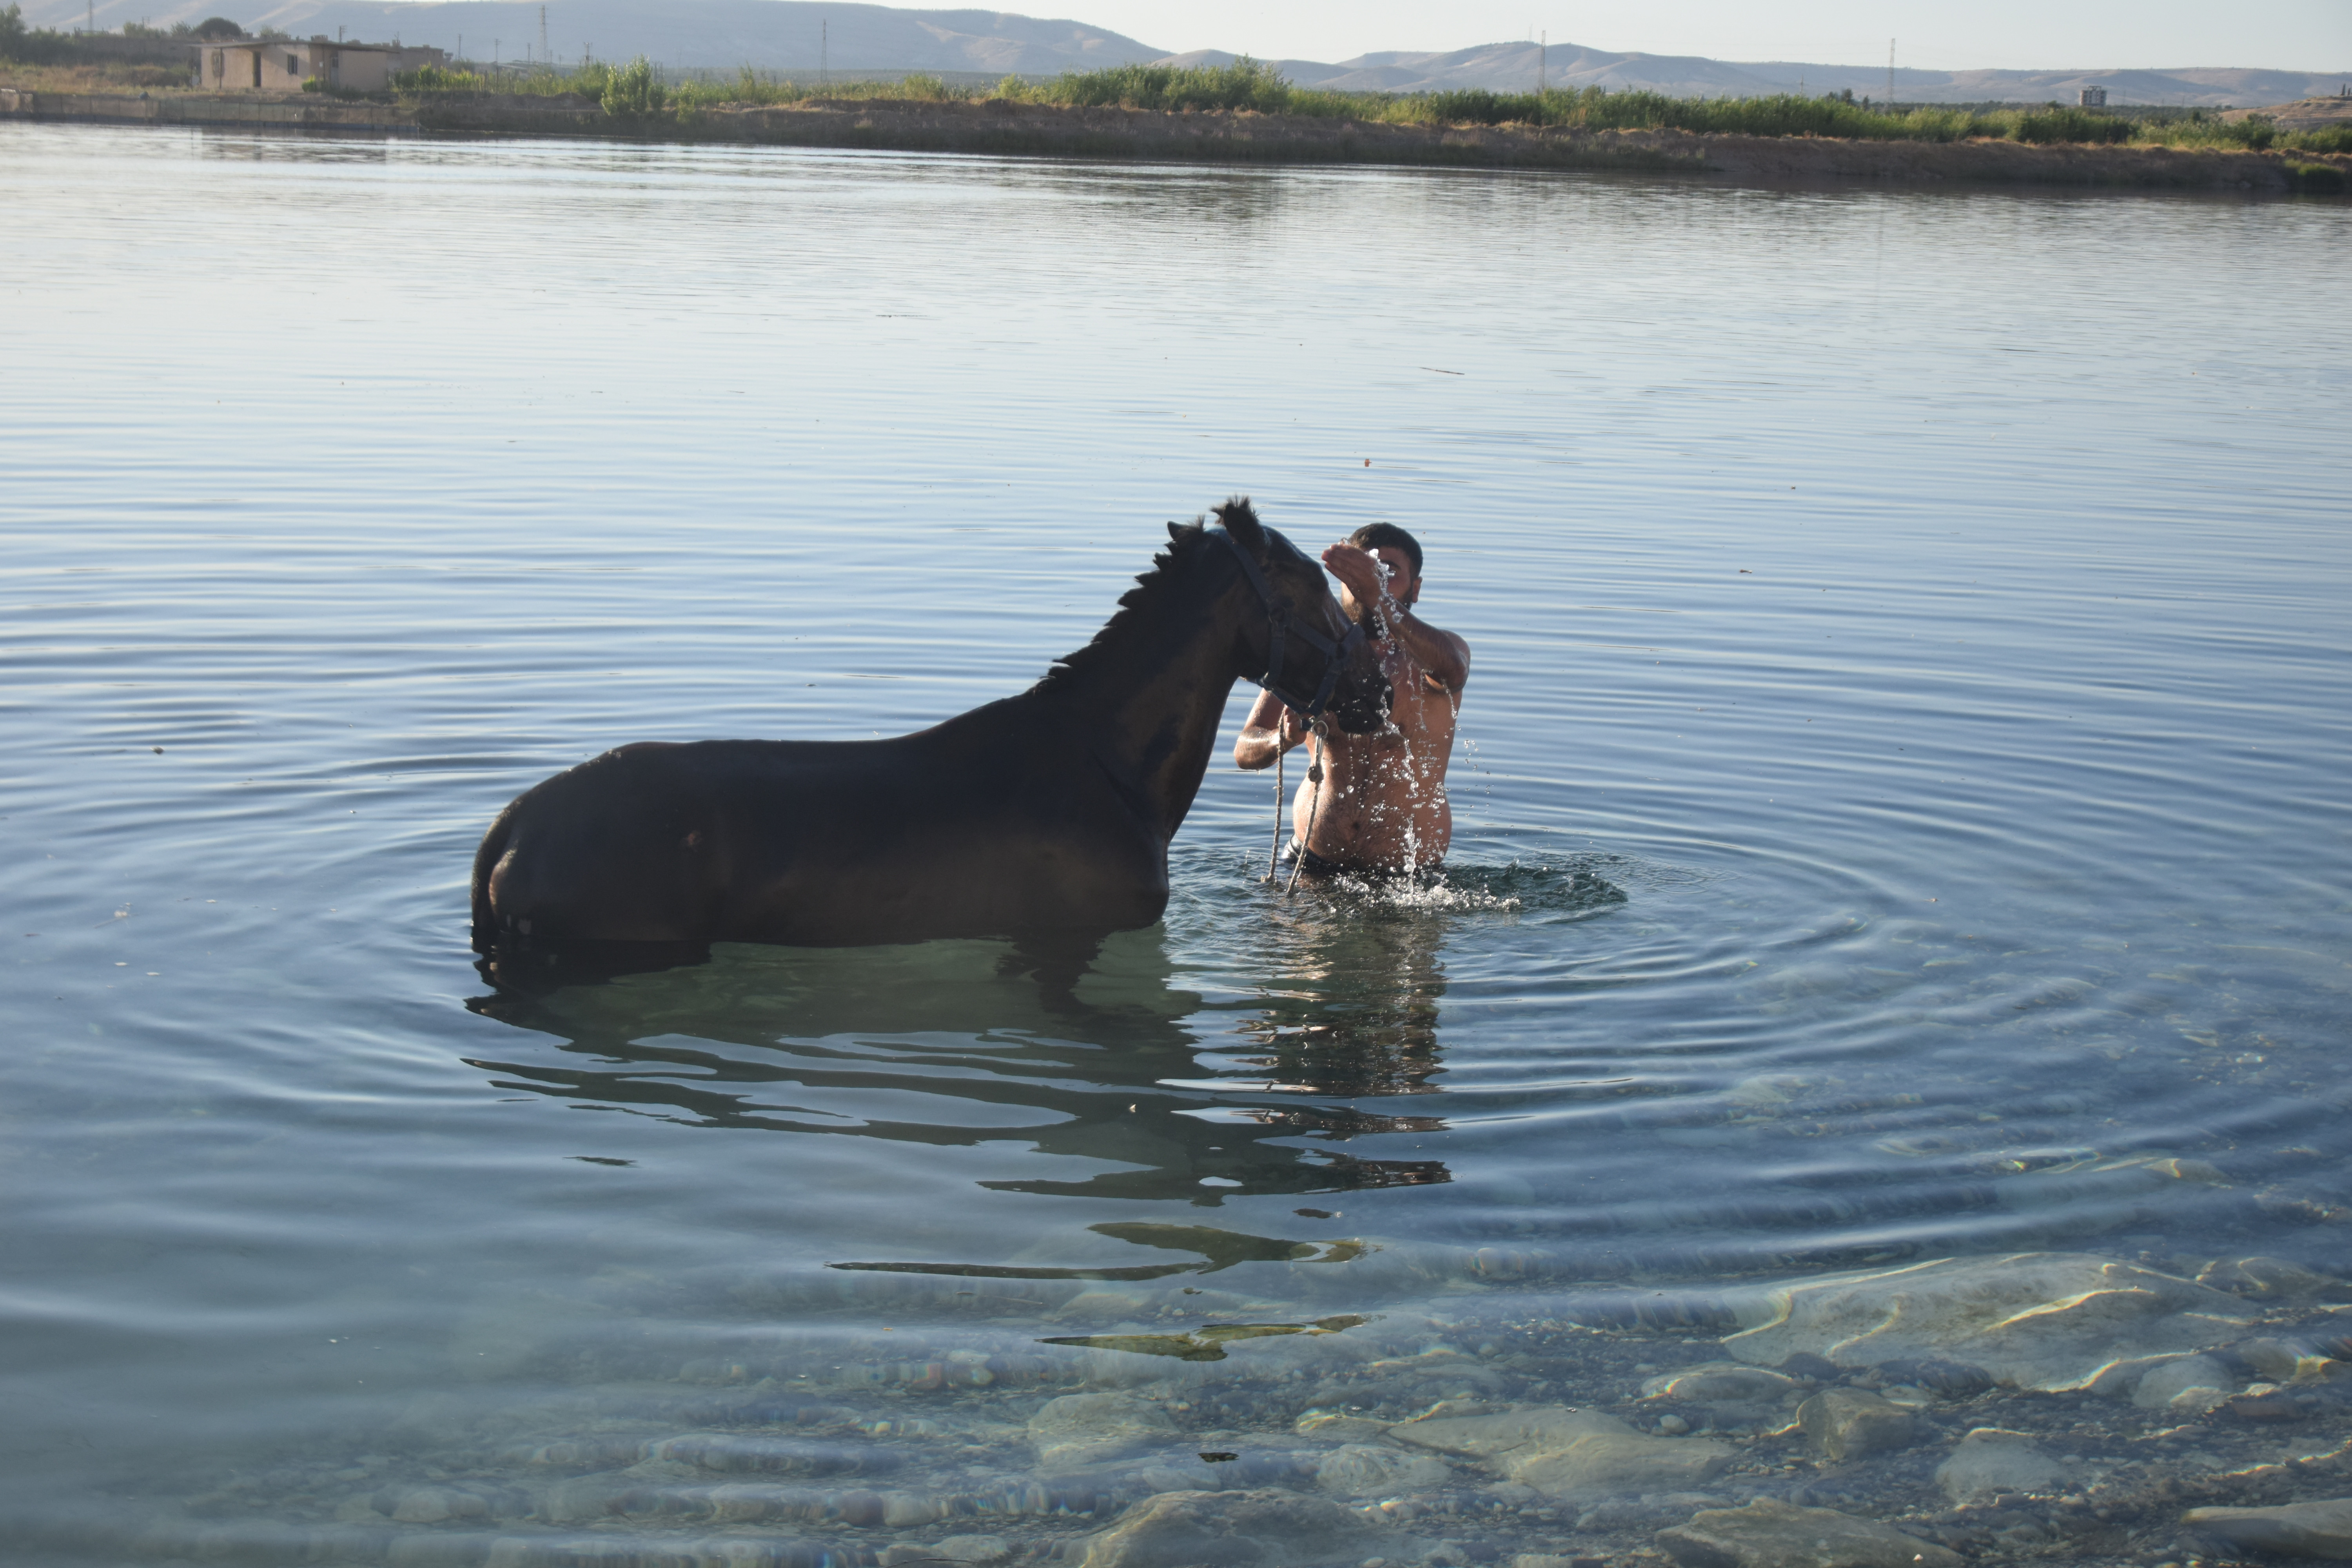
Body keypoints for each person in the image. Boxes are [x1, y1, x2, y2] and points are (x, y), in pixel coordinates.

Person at [1233, 523, 1470, 876]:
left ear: (1416, 589)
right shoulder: (1308, 655)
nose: (1375, 581)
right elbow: (1244, 751)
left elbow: (1454, 671)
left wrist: (1380, 599)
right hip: (1310, 862)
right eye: (1364, 572)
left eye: (1389, 572)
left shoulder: (1434, 655)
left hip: (1410, 879)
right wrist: (1281, 739)